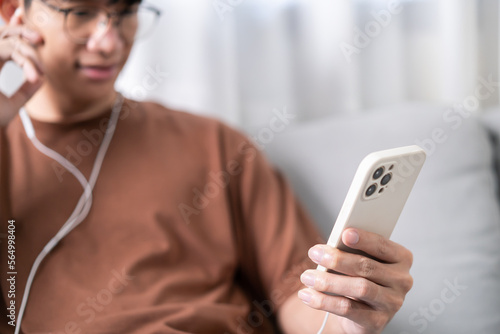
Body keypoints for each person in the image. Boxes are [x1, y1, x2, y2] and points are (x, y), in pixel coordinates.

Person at [0, 0, 414, 333]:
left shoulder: (215, 144)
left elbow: (300, 298)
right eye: (81, 12)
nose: (109, 42)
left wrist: (348, 320)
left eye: (125, 12)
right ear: (12, 15)